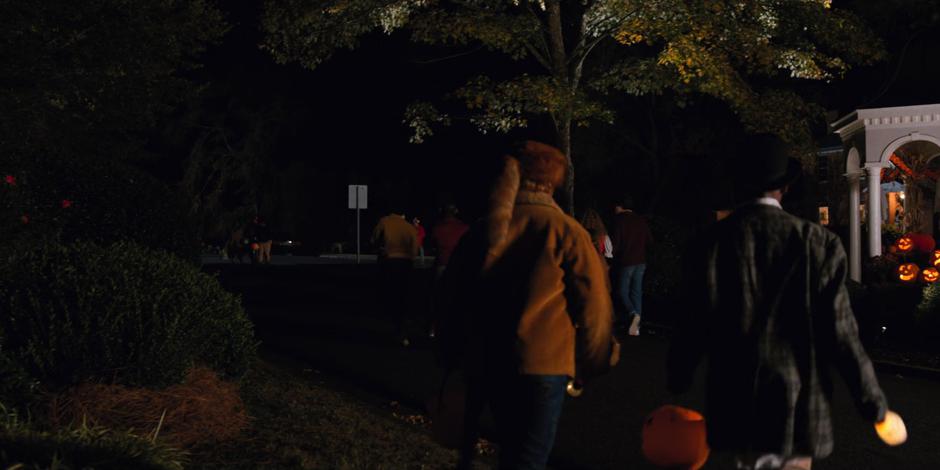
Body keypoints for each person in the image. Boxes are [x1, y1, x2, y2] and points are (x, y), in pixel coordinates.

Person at [667, 134, 897, 470]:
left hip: (737, 394)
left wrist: (680, 374)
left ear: (739, 183)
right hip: (799, 400)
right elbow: (841, 333)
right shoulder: (818, 244)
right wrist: (871, 402)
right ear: (785, 187)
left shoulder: (711, 244)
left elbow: (692, 320)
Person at [439, 141, 617, 469]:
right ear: (553, 181)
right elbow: (594, 308)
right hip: (544, 364)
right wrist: (594, 361)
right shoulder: (568, 232)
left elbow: (452, 297)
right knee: (530, 457)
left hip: (486, 359)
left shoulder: (482, 230)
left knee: (505, 448)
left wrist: (451, 358)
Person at [372, 208, 420, 346]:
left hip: (388, 260)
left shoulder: (384, 221)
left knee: (388, 293)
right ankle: (402, 326)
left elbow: (374, 238)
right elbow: (415, 247)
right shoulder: (409, 227)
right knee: (403, 295)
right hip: (405, 262)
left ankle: (389, 323)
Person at [610, 195, 653, 336]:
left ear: (619, 206)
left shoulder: (619, 220)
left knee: (622, 291)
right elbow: (649, 240)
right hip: (641, 261)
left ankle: (632, 313)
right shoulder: (641, 220)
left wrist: (610, 255)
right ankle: (636, 327)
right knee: (636, 292)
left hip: (627, 261)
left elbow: (615, 243)